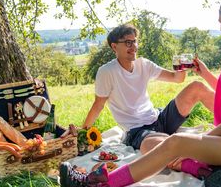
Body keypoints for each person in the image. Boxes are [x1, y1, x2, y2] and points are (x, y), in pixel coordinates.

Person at [60, 0, 221, 187]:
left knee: (176, 143)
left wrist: (199, 141)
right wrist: (203, 74)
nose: (219, 27)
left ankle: (95, 185)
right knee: (177, 143)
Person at [82, 23, 213, 153]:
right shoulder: (107, 72)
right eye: (128, 42)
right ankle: (188, 159)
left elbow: (176, 78)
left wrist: (182, 66)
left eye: (135, 41)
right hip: (137, 131)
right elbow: (98, 105)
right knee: (160, 145)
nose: (134, 46)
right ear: (114, 46)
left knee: (197, 87)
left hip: (159, 119)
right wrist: (82, 134)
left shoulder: (143, 64)